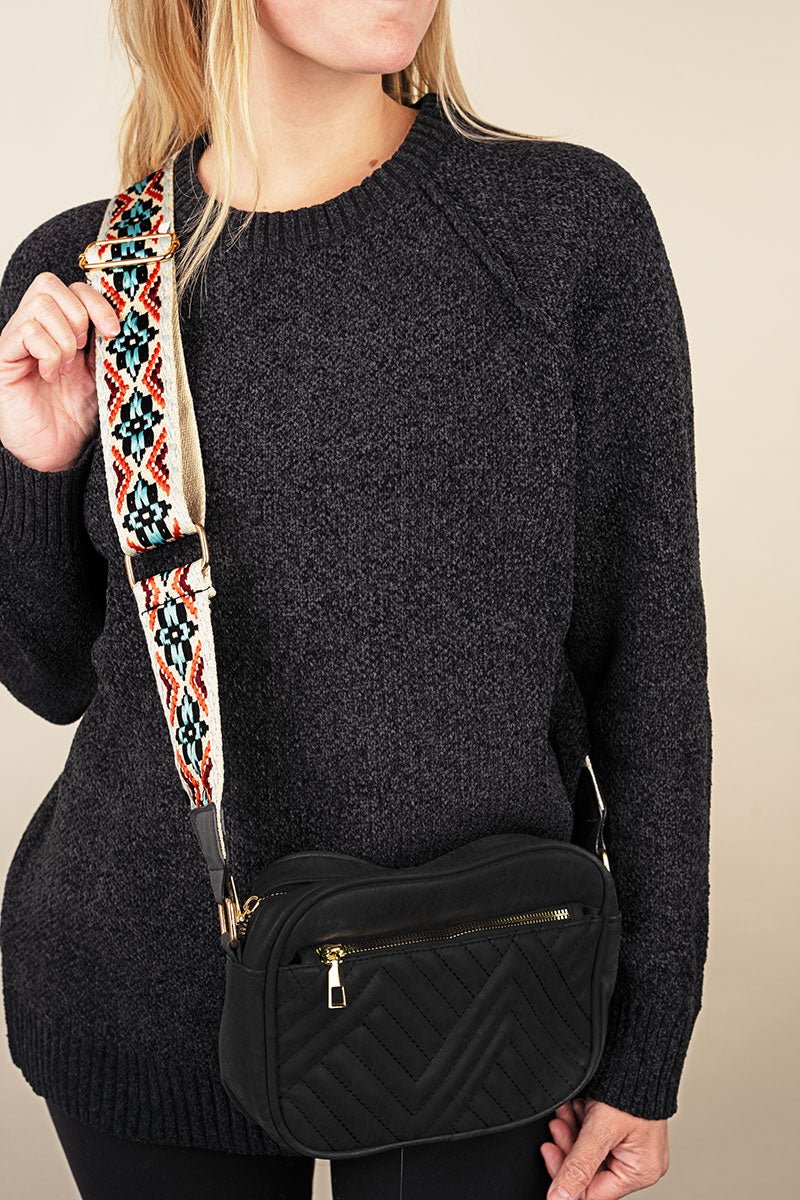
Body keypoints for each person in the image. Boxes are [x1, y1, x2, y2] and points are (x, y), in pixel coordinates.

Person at [0, 2, 712, 1198]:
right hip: (148, 984)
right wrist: (37, 462)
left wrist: (648, 1039)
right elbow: (51, 672)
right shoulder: (89, 272)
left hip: (483, 976)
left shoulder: (558, 225)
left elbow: (649, 668)